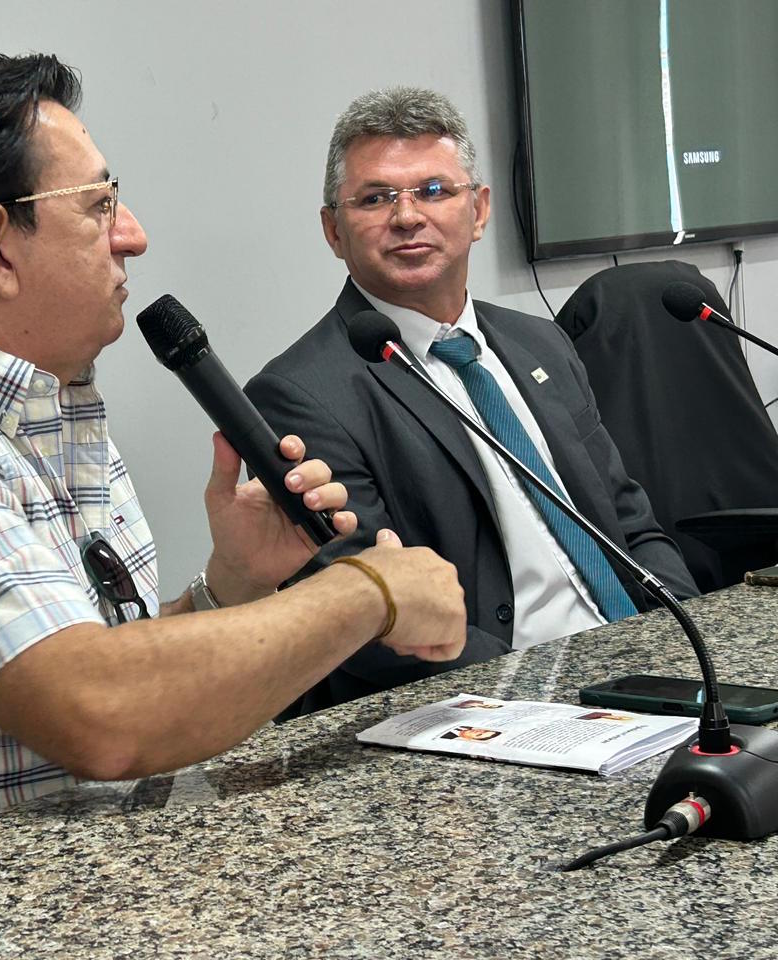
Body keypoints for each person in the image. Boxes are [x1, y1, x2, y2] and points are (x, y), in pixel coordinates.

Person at [0, 55, 467, 863]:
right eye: (100, 205)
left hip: (98, 881)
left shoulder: (44, 409)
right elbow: (101, 712)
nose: (134, 235)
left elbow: (87, 665)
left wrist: (231, 585)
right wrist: (369, 592)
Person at [244, 87, 697, 714]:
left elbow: (632, 525)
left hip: (639, 668)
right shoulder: (298, 395)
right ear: (333, 230)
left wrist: (681, 638)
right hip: (503, 700)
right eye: (376, 198)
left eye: (433, 190)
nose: (407, 217)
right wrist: (553, 701)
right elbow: (367, 619)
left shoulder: (541, 342)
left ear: (479, 210)